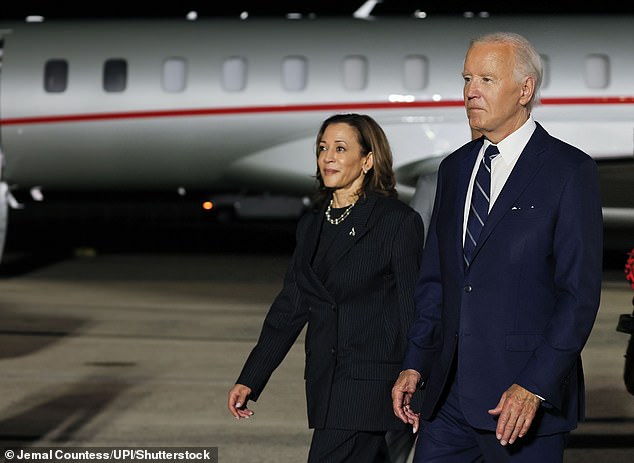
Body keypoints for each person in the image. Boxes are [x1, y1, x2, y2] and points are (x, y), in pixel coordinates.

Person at [392, 32, 603, 462]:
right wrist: (416, 361)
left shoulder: (569, 171)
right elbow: (435, 282)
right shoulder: (454, 169)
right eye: (467, 78)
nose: (470, 91)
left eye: (486, 79)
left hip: (521, 407)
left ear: (525, 90)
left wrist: (534, 386)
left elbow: (578, 297)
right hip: (446, 404)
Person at [228, 113, 425, 462]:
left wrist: (417, 378)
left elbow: (415, 308)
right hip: (325, 381)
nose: (328, 157)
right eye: (322, 148)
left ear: (367, 160)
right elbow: (290, 307)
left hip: (371, 384)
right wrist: (252, 378)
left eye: (340, 148)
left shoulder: (396, 221)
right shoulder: (312, 226)